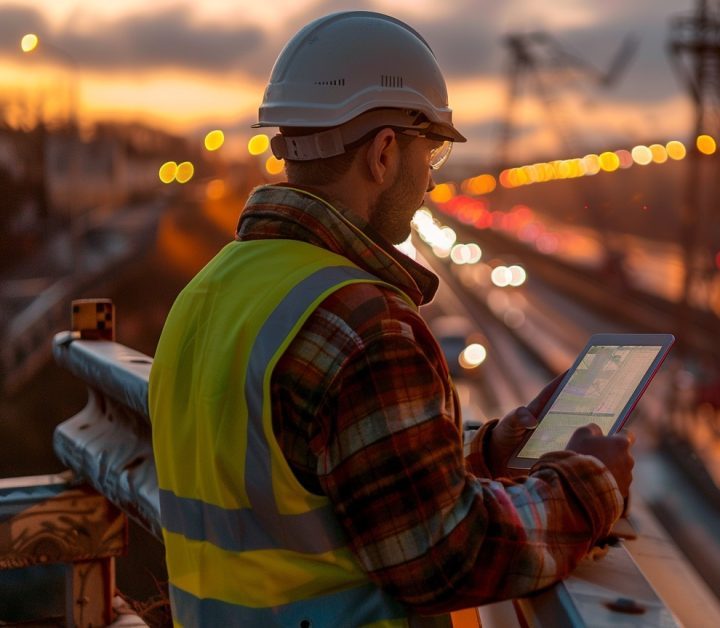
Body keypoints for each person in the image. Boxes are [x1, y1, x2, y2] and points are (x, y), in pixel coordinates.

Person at [149, 11, 634, 627]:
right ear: (383, 153)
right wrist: (588, 488)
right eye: (429, 153)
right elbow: (447, 555)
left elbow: (331, 470)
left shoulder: (208, 291)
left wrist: (494, 446)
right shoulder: (361, 325)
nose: (431, 181)